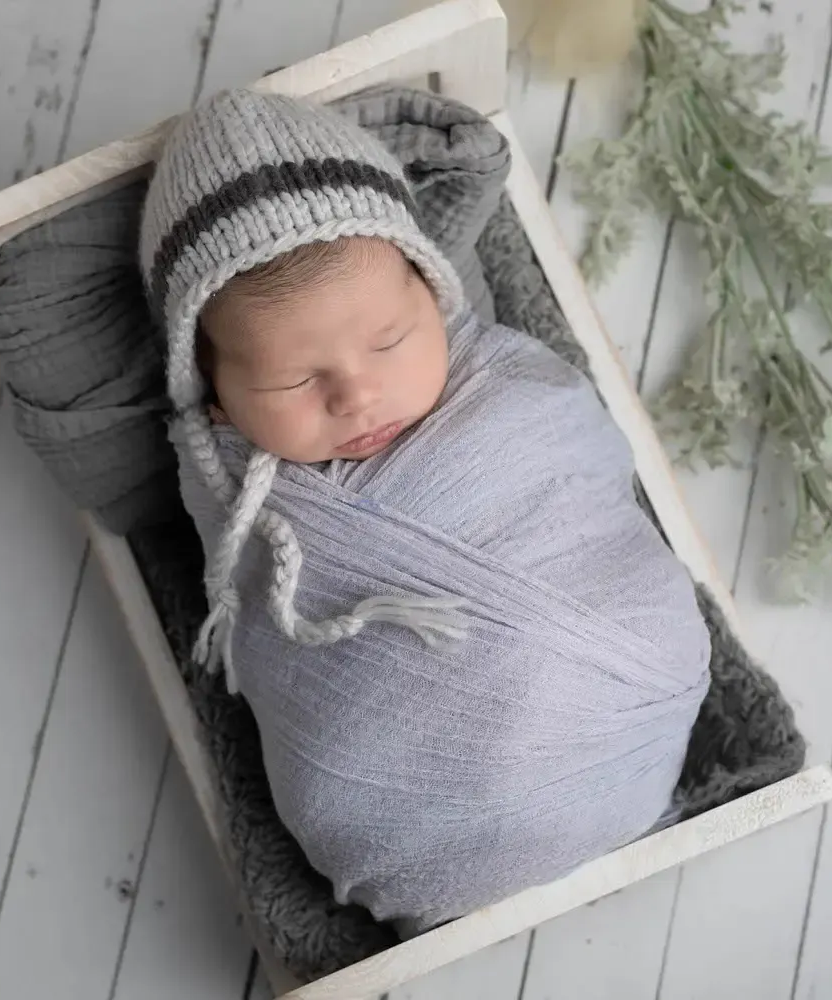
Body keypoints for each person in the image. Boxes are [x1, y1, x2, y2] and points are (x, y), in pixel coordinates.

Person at [138, 87, 711, 931]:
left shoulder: (513, 389)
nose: (359, 394)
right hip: (410, 832)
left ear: (434, 295)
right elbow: (269, 644)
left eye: (389, 340)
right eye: (296, 380)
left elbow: (584, 484)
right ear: (212, 394)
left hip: (632, 705)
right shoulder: (231, 489)